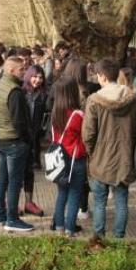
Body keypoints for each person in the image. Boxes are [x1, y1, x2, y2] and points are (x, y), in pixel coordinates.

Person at [82, 58, 136, 239]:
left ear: (102, 77)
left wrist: (91, 152)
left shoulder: (94, 101)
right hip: (124, 157)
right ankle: (119, 239)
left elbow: (88, 134)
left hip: (100, 158)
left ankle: (99, 238)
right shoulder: (133, 99)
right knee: (121, 201)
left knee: (100, 202)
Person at [0, 56, 35, 232]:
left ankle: (0, 216)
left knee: (2, 180)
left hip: (2, 137)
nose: (24, 73)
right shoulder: (15, 92)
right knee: (14, 182)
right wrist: (27, 140)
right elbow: (19, 122)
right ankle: (12, 219)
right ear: (11, 70)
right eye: (21, 70)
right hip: (14, 141)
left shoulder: (0, 85)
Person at [48, 78, 87, 236]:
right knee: (75, 194)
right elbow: (85, 136)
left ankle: (59, 227)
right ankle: (70, 228)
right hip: (75, 158)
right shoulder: (77, 115)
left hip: (59, 159)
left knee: (62, 193)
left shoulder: (54, 113)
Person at [21, 64, 48, 215]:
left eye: (40, 77)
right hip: (20, 136)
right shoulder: (21, 91)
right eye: (34, 76)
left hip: (34, 136)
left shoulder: (44, 94)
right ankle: (13, 202)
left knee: (29, 171)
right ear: (28, 76)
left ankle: (28, 202)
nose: (37, 80)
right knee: (17, 172)